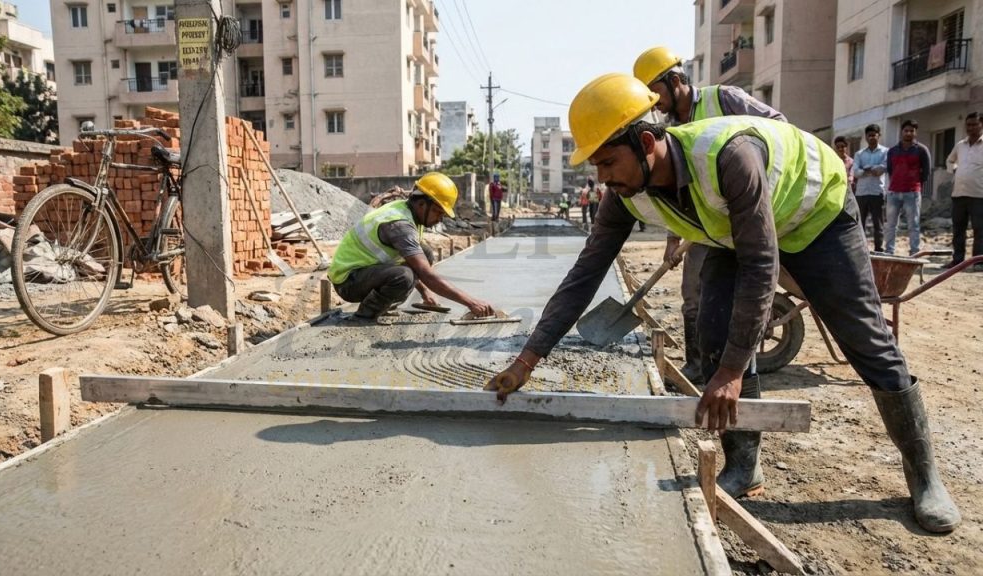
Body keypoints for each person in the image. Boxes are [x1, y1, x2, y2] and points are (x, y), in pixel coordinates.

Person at [485, 74, 960, 533]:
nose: (603, 178)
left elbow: (761, 265)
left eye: (607, 163)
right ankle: (744, 465)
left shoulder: (730, 156)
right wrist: (529, 357)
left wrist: (733, 371)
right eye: (596, 169)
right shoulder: (624, 195)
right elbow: (583, 276)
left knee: (864, 339)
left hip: (815, 215)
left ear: (646, 144)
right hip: (736, 232)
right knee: (712, 331)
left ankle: (924, 478)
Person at [633, 46, 786, 382]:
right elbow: (675, 188)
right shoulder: (670, 130)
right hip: (703, 226)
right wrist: (673, 239)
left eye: (654, 93)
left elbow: (780, 129)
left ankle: (738, 372)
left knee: (739, 294)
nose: (653, 104)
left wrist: (755, 191)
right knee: (692, 296)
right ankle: (697, 364)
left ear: (674, 81)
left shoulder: (725, 100)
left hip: (745, 219)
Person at [328, 172, 495, 321]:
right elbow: (425, 274)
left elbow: (414, 262)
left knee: (425, 253)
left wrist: (425, 293)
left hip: (367, 272)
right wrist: (470, 302)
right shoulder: (399, 225)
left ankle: (384, 304)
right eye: (438, 212)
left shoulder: (411, 214)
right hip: (348, 282)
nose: (440, 219)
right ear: (422, 204)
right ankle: (364, 316)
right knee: (404, 277)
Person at [885, 120, 931, 255]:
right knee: (891, 225)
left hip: (912, 192)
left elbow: (926, 172)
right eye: (906, 130)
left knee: (914, 225)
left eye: (912, 131)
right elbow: (890, 170)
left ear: (915, 133)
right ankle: (889, 251)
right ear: (902, 132)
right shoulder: (892, 151)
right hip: (894, 193)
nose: (909, 133)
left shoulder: (921, 150)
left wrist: (915, 185)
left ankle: (915, 252)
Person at [944, 112, 983, 271]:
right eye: (968, 125)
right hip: (959, 194)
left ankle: (978, 262)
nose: (971, 127)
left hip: (979, 195)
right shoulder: (960, 145)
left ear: (981, 125)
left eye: (974, 124)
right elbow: (949, 160)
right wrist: (952, 169)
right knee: (958, 230)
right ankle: (958, 261)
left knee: (980, 230)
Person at [852, 124, 888, 252]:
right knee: (859, 224)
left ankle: (879, 248)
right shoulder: (859, 154)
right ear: (866, 137)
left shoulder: (885, 152)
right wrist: (869, 170)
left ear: (879, 136)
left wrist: (867, 169)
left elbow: (882, 169)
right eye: (869, 135)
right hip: (861, 193)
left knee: (878, 223)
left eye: (874, 135)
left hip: (877, 192)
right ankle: (861, 249)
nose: (872, 137)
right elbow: (855, 172)